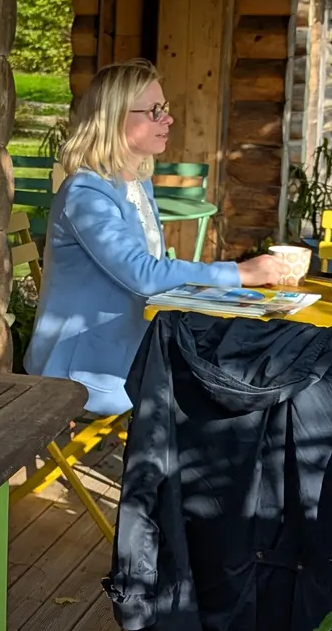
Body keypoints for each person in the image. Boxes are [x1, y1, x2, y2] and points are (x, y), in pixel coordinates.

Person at [24, 60, 289, 415]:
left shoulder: (136, 183)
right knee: (221, 397)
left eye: (164, 109)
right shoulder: (86, 192)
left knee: (237, 379)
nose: (169, 119)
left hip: (128, 350)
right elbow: (143, 274)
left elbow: (152, 274)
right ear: (112, 118)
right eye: (154, 111)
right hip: (85, 367)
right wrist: (240, 273)